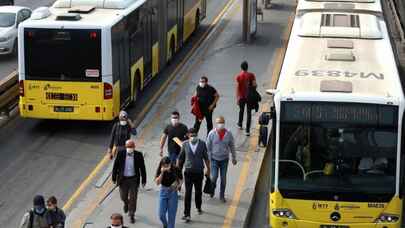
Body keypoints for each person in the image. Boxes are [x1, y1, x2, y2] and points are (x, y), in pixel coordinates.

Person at [177, 128, 211, 222]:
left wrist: (208, 169)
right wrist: (177, 171)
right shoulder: (185, 144)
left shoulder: (202, 144)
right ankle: (187, 214)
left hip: (199, 172)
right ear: (188, 135)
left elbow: (206, 158)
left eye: (194, 135)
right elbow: (181, 158)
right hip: (188, 172)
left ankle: (198, 206)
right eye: (191, 135)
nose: (193, 137)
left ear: (197, 135)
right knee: (188, 193)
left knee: (198, 191)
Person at [112, 139, 147, 224]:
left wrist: (144, 180)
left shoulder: (139, 155)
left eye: (131, 147)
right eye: (128, 147)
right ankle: (126, 203)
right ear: (125, 146)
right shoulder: (120, 154)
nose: (129, 148)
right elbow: (115, 166)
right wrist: (113, 177)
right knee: (123, 196)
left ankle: (132, 214)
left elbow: (142, 168)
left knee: (133, 198)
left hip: (134, 180)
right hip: (123, 179)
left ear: (134, 147)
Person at [206, 116, 237, 202]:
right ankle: (212, 190)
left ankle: (222, 195)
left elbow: (232, 146)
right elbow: (208, 147)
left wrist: (234, 157)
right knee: (214, 177)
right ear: (216, 124)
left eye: (222, 123)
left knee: (223, 178)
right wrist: (208, 159)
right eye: (219, 123)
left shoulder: (228, 134)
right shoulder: (211, 134)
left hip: (224, 160)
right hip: (214, 160)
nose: (220, 125)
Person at [155, 156, 183, 228]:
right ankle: (165, 224)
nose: (166, 167)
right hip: (163, 191)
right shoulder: (160, 169)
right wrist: (162, 173)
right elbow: (157, 182)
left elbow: (181, 180)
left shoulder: (176, 169)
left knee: (171, 216)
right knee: (161, 215)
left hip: (173, 193)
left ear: (170, 164)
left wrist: (177, 186)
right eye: (164, 165)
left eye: (168, 165)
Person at [235, 61, 256, 136]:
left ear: (241, 67)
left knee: (241, 110)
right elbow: (254, 85)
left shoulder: (238, 76)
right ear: (247, 67)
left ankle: (240, 124)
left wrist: (237, 97)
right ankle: (247, 130)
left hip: (241, 97)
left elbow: (237, 88)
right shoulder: (251, 75)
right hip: (249, 97)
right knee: (249, 113)